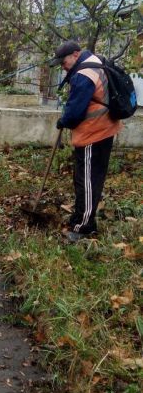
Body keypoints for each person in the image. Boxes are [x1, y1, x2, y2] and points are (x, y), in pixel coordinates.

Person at [50, 40, 122, 243]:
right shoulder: (93, 62)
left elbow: (74, 113)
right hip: (101, 130)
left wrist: (63, 120)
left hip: (94, 133)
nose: (63, 67)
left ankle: (83, 227)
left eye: (63, 62)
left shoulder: (84, 74)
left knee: (88, 182)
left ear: (75, 54)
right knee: (87, 179)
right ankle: (80, 217)